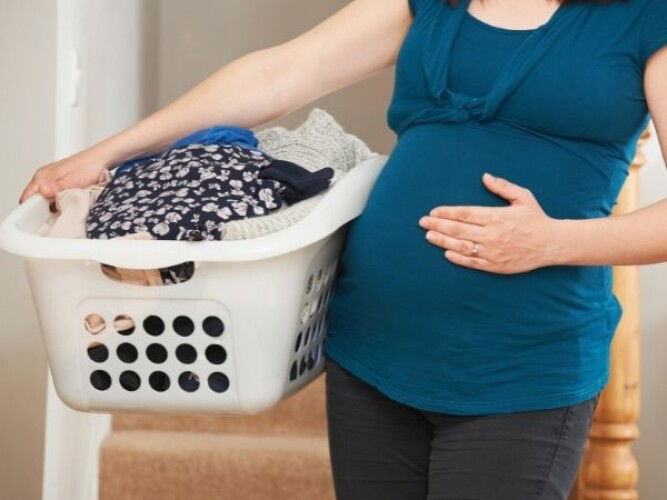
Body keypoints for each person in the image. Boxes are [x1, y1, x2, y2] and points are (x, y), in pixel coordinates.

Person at [18, 0, 667, 498]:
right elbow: (279, 73)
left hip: (519, 372)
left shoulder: (644, 18)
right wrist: (106, 152)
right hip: (370, 355)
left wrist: (553, 240)